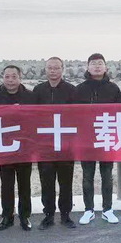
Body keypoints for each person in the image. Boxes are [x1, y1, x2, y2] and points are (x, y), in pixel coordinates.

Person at [74, 53, 121, 225]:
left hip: (106, 136)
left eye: (100, 63)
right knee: (87, 176)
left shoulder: (113, 88)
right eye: (93, 63)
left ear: (105, 67)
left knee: (107, 175)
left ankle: (107, 209)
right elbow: (73, 114)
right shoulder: (79, 89)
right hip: (86, 138)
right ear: (88, 67)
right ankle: (89, 210)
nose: (97, 66)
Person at [31, 57, 78, 229]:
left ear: (62, 69)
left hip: (65, 145)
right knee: (47, 182)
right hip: (45, 145)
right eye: (50, 67)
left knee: (66, 182)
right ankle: (48, 215)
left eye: (56, 68)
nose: (53, 71)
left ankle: (66, 215)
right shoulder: (38, 90)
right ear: (45, 69)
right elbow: (31, 116)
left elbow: (78, 116)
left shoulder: (71, 90)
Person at [0, 65, 35, 232]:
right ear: (3, 78)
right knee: (6, 184)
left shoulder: (30, 96)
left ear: (20, 78)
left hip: (25, 146)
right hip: (4, 146)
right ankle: (7, 216)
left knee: (25, 184)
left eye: (14, 76)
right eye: (7, 77)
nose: (10, 80)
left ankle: (25, 216)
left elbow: (36, 118)